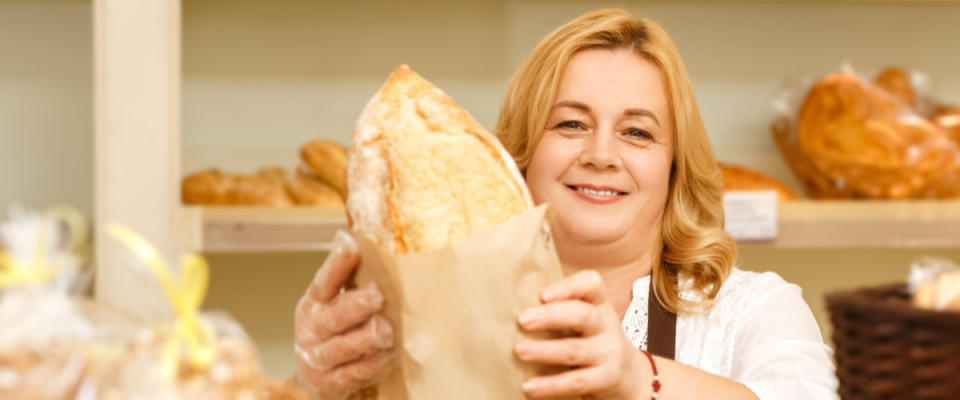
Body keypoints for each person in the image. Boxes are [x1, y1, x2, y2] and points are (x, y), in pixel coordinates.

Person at [291, 8, 838, 400]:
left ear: (675, 167)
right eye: (570, 124)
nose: (601, 154)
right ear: (523, 153)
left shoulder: (750, 311)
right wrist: (313, 386)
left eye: (638, 133)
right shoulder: (425, 309)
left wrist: (634, 375)